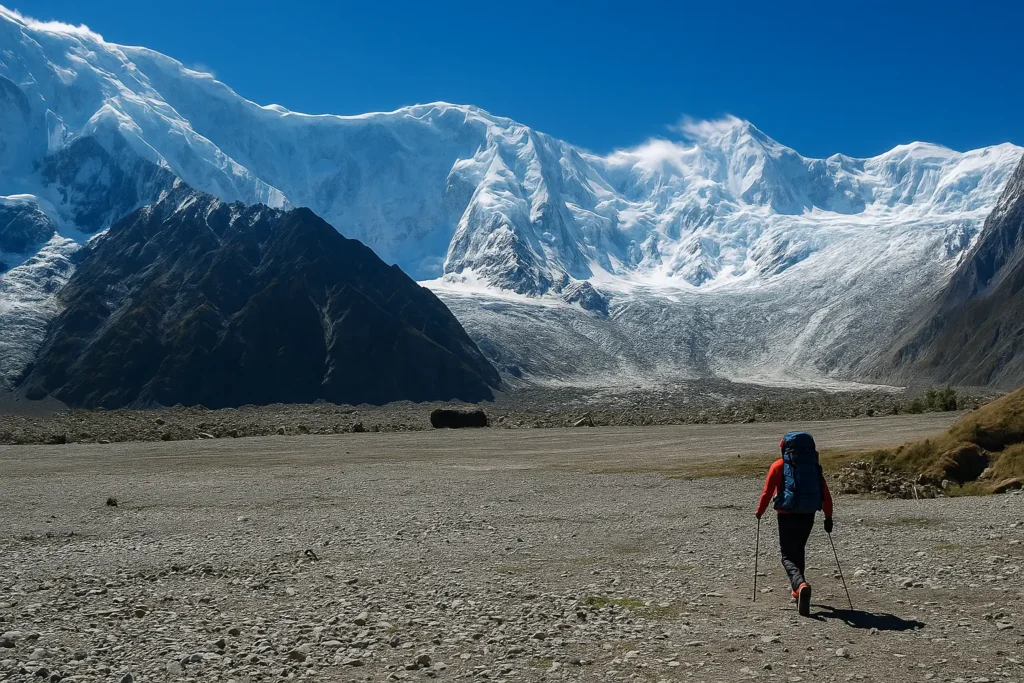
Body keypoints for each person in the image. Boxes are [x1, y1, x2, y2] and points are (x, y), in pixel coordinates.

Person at [755, 432, 833, 617]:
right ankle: (797, 591)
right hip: (808, 514)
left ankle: (800, 585)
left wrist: (759, 512)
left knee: (787, 556)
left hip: (786, 515)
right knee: (799, 549)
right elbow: (825, 494)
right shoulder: (813, 467)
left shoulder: (778, 466)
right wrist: (828, 517)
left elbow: (767, 492)